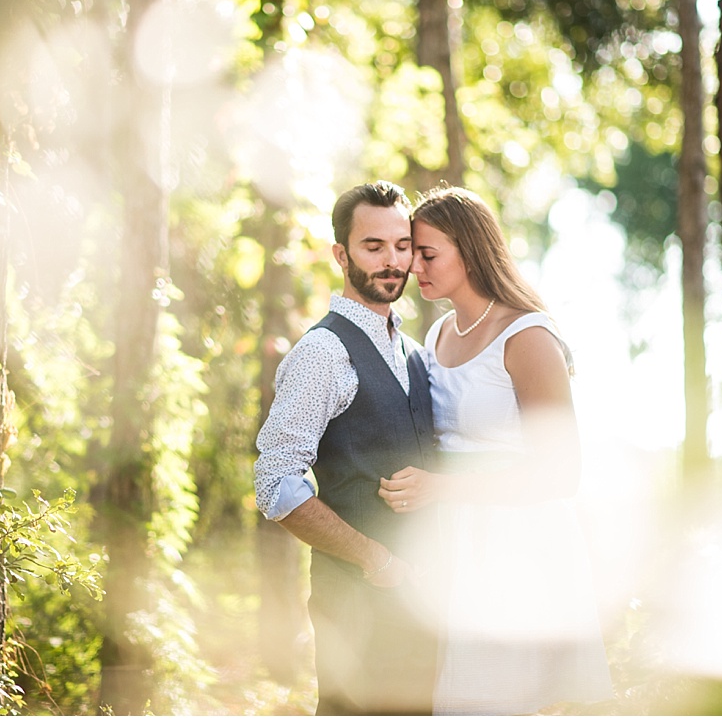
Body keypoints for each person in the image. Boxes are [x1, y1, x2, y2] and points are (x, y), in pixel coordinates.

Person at [378, 183, 613, 715]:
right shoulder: (438, 334)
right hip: (445, 548)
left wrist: (443, 487)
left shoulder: (527, 336)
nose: (415, 266)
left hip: (514, 547)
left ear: (471, 250)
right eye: (413, 253)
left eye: (427, 253)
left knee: (490, 702)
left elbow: (562, 472)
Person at [253, 181, 439, 715]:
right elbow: (276, 484)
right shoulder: (323, 353)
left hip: (425, 611)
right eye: (373, 246)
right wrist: (375, 560)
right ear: (341, 254)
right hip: (356, 613)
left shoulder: (415, 354)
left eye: (402, 246)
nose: (392, 261)